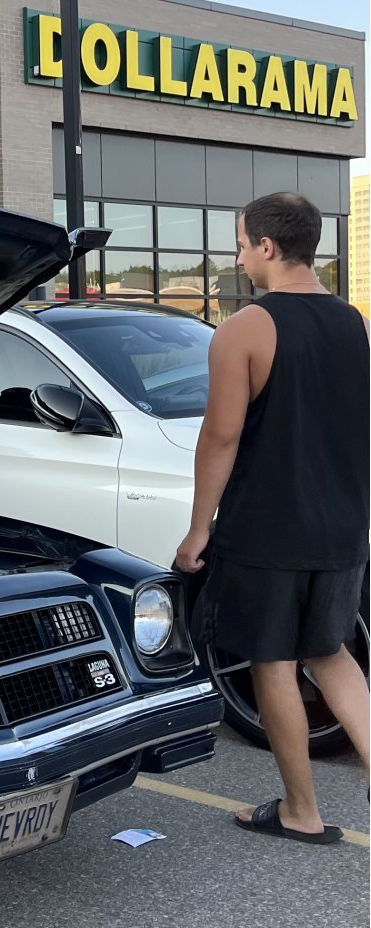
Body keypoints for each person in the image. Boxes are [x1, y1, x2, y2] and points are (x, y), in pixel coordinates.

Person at [173, 193, 369, 845]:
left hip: (269, 529)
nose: (237, 257)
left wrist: (199, 529)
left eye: (239, 244)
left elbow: (220, 437)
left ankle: (300, 811)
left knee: (274, 661)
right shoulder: (356, 324)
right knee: (332, 654)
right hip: (343, 526)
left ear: (267, 247)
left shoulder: (246, 328)